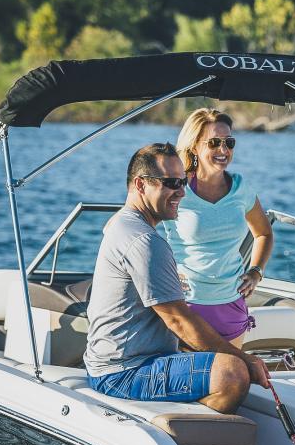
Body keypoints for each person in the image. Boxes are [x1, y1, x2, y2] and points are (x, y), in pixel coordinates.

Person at [84, 143, 270, 413]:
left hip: (128, 361)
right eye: (171, 183)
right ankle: (191, 426)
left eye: (183, 182)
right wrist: (246, 360)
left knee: (220, 360)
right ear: (140, 185)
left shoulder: (122, 223)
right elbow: (178, 320)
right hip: (122, 373)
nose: (182, 192)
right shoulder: (145, 241)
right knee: (232, 373)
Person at [161, 108, 273, 348]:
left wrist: (256, 273)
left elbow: (263, 233)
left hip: (231, 303)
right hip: (185, 305)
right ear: (194, 147)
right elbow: (138, 230)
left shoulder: (241, 187)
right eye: (214, 143)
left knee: (234, 380)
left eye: (229, 142)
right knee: (191, 383)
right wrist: (161, 274)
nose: (223, 150)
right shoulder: (176, 188)